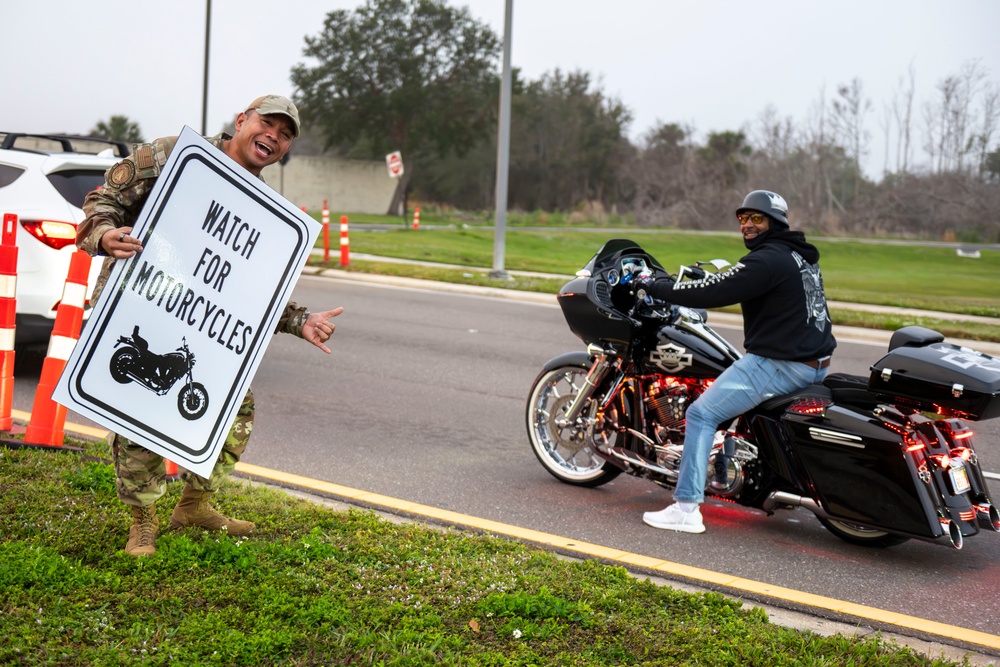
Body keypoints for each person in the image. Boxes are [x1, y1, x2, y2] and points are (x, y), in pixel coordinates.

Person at [77, 94, 345, 556]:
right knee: (138, 415)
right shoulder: (176, 157)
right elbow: (105, 198)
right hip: (140, 305)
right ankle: (143, 521)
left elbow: (251, 289)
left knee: (235, 411)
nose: (273, 138)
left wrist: (300, 320)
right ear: (242, 120)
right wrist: (103, 234)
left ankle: (194, 505)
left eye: (284, 136)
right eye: (267, 124)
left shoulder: (265, 207)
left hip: (197, 328)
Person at [635, 190, 836, 534]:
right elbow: (735, 282)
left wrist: (655, 284)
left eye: (757, 219)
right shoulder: (797, 256)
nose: (748, 225)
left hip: (780, 363)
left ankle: (685, 507)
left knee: (701, 413)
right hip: (815, 361)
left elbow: (713, 292)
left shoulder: (765, 260)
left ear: (775, 223)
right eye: (743, 218)